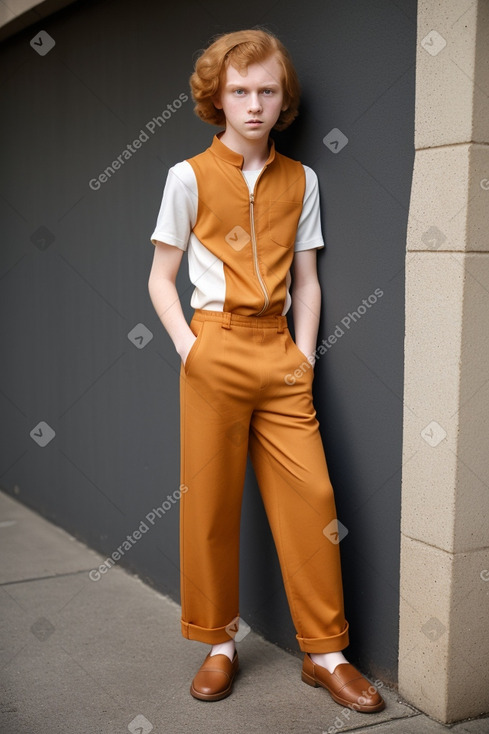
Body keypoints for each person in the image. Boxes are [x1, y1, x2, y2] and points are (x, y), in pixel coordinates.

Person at [148, 28, 385, 713]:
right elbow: (160, 279)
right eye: (239, 91)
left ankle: (325, 653)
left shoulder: (301, 180)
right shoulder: (186, 178)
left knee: (311, 500)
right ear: (216, 98)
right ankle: (218, 646)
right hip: (214, 347)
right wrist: (191, 349)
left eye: (266, 91)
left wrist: (302, 358)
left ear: (283, 100)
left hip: (279, 351)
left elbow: (306, 282)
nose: (253, 104)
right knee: (212, 504)